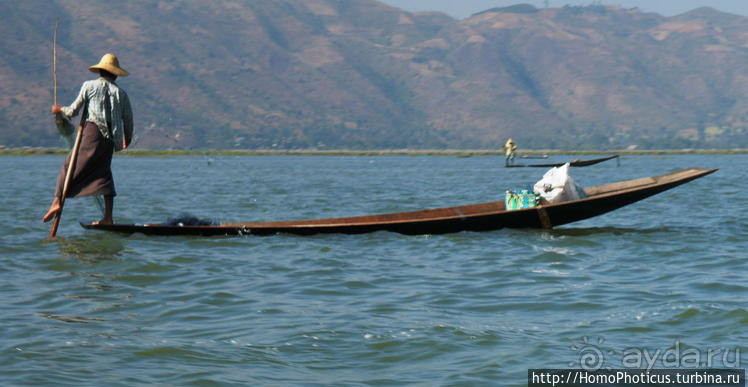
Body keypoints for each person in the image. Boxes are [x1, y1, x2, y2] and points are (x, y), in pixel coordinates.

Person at [43, 53, 133, 225]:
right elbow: (128, 120)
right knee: (104, 174)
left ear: (100, 71)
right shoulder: (121, 94)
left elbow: (73, 111)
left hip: (92, 134)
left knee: (68, 166)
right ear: (115, 74)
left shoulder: (89, 86)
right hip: (109, 140)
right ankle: (108, 217)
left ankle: (56, 201)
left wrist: (59, 109)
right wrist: (126, 140)